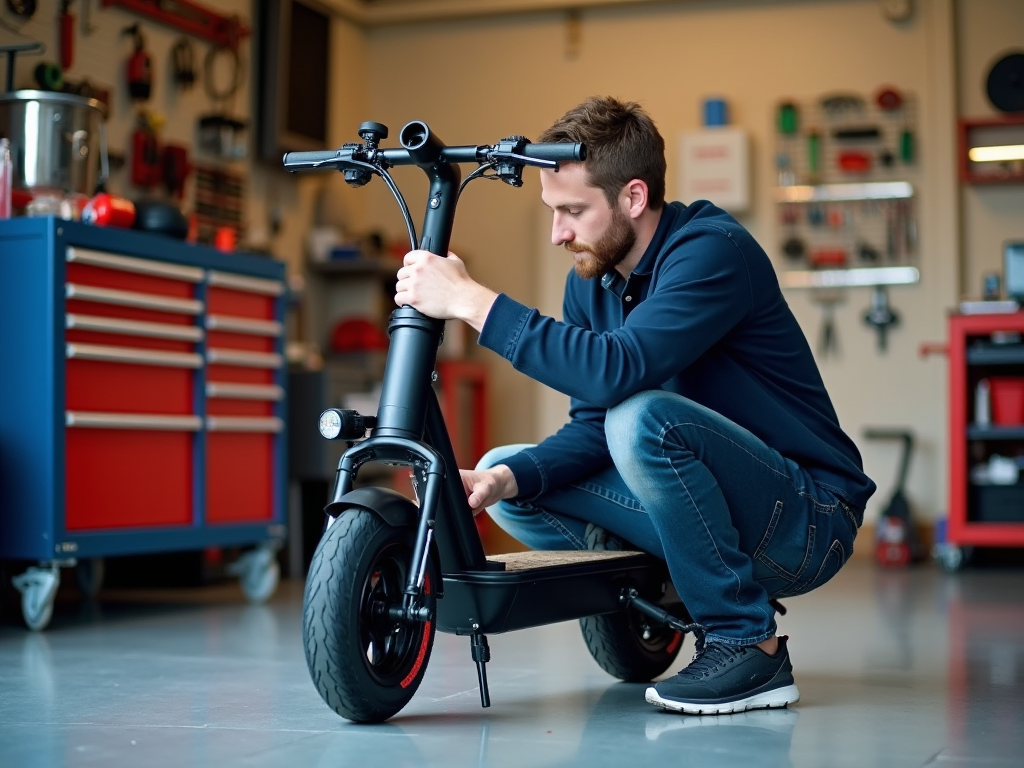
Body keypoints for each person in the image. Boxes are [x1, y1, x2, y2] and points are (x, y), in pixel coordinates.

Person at [393, 96, 875, 715]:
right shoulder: (591, 281)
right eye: (552, 211)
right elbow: (592, 425)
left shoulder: (711, 251)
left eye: (573, 211)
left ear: (634, 198)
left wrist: (471, 302)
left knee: (641, 418)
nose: (557, 234)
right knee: (511, 468)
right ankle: (655, 591)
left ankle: (748, 646)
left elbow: (618, 370)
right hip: (720, 516)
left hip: (806, 520)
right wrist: (501, 481)